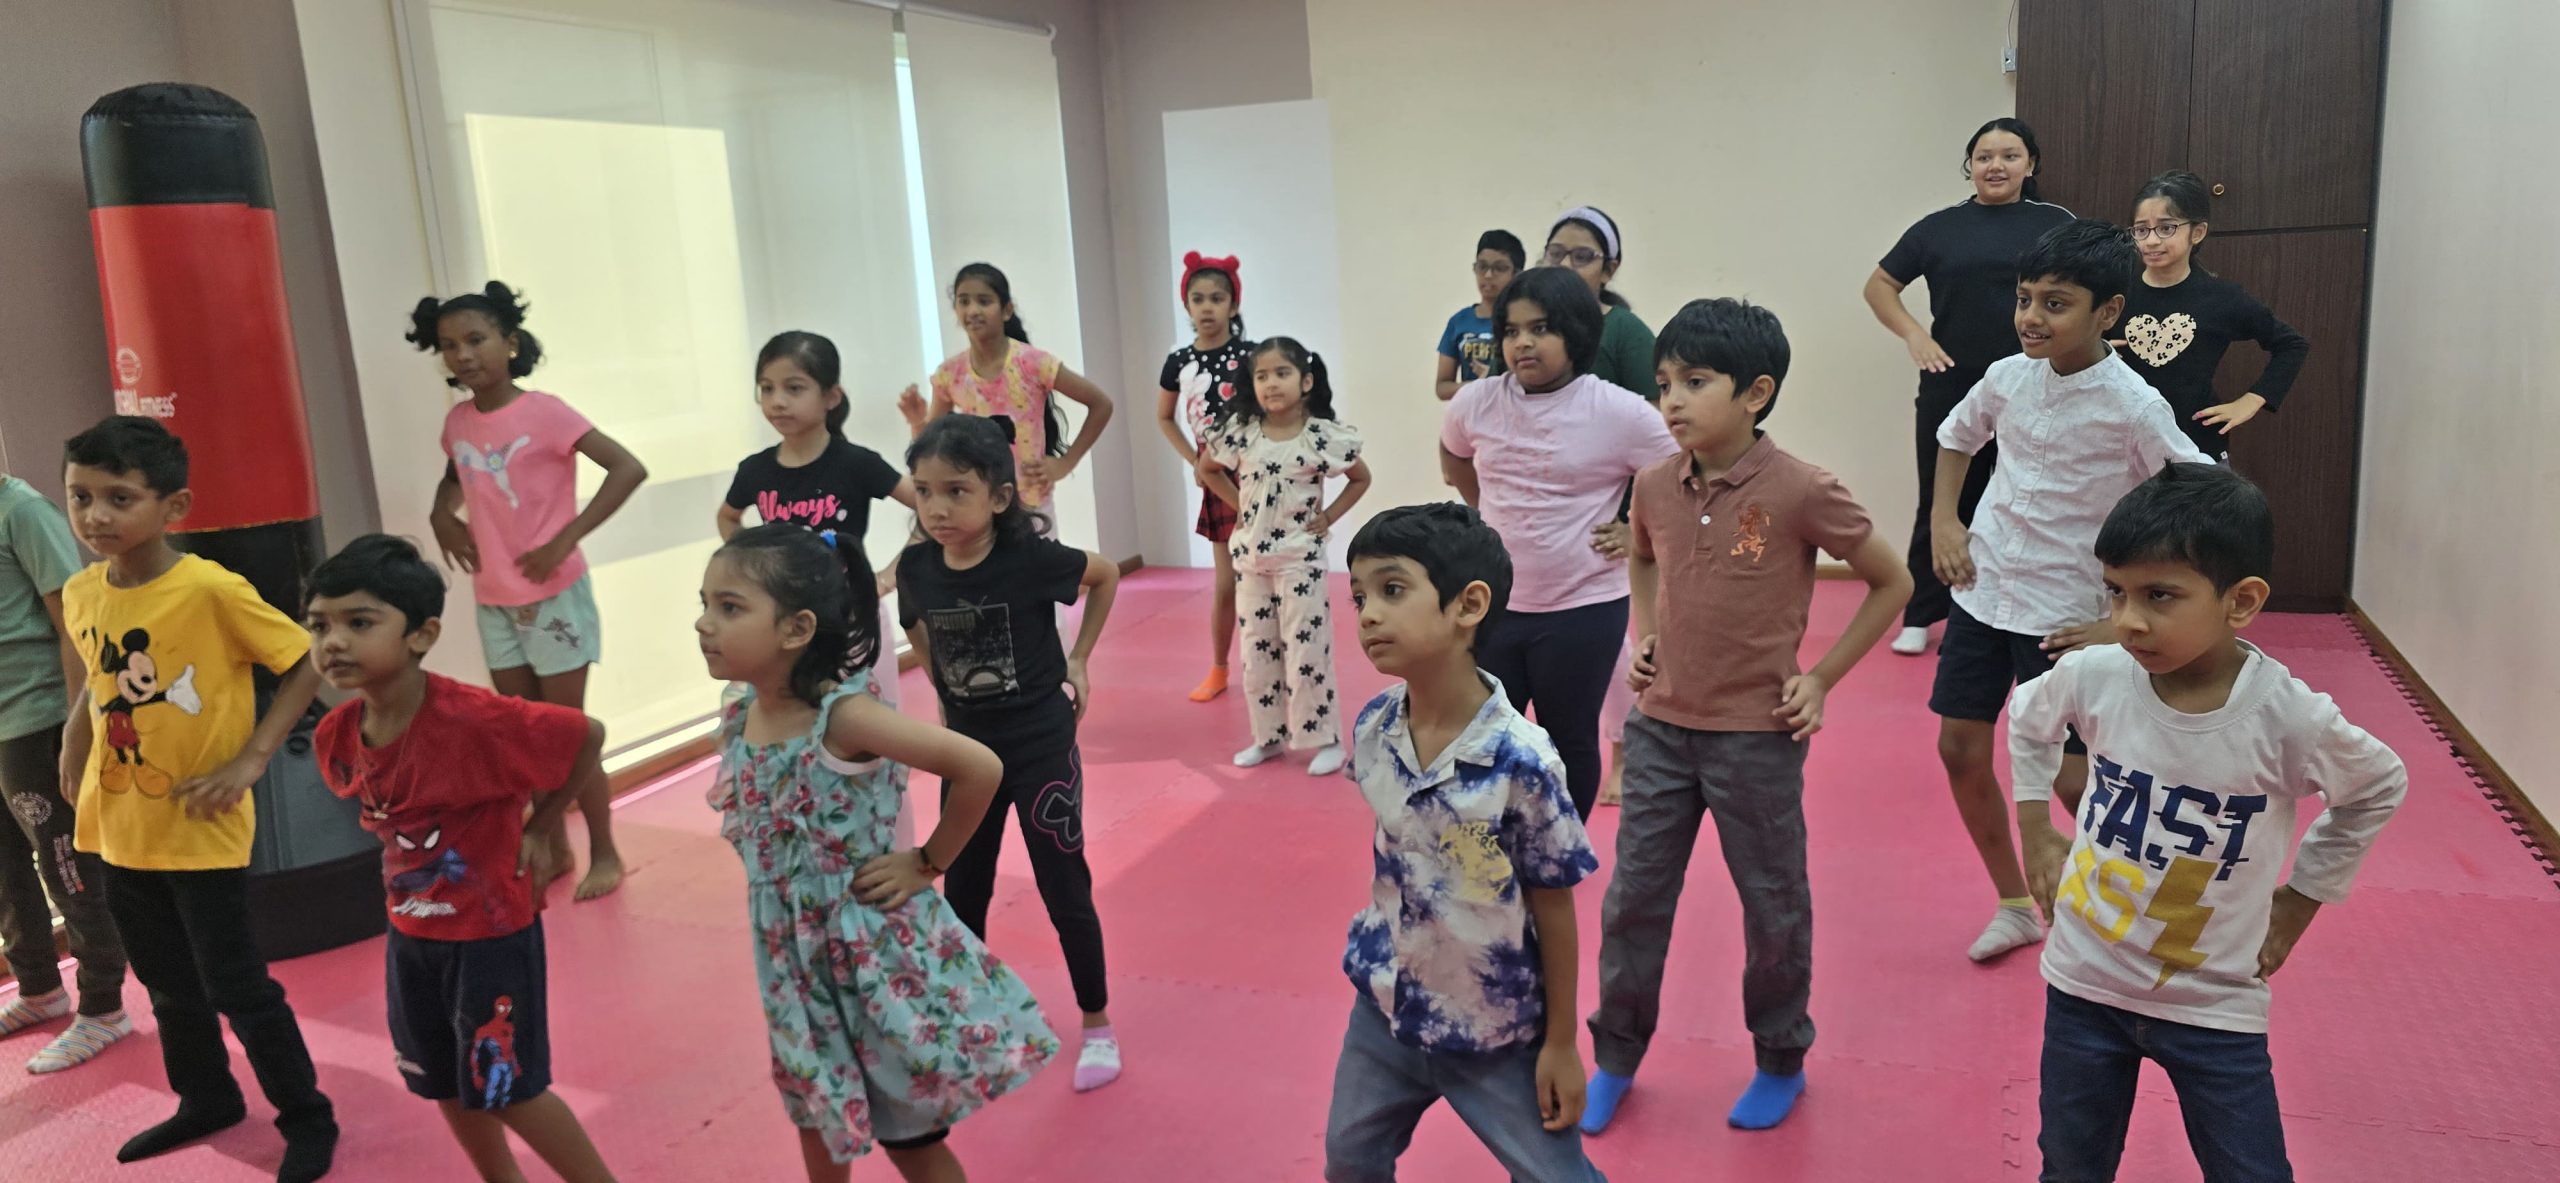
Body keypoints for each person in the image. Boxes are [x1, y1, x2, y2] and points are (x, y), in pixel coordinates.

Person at [2011, 463, 2405, 1181]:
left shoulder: (2287, 718)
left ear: (2241, 601)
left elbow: (2377, 785)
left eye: (2159, 595)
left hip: (2213, 1002)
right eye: (2116, 591)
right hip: (2084, 983)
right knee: (2069, 1168)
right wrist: (2035, 826)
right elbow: (2028, 719)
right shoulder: (2094, 674)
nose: (2128, 620)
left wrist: (2303, 898)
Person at [1580, 299, 1912, 1136]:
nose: (1672, 400)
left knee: (1773, 908)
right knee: (1632, 901)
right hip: (1660, 729)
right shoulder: (1654, 484)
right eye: (1663, 383)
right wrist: (1646, 635)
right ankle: (1615, 1055)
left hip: (1756, 738)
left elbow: (1893, 581)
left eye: (1695, 382)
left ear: (1756, 392)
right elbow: (1643, 559)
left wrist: (1822, 679)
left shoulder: (1802, 488)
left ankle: (1779, 1057)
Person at [701, 525, 1056, 1182]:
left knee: (910, 1136)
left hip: (866, 953)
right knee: (817, 1111)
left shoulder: (845, 717)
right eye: (705, 604)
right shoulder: (742, 712)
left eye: (729, 607)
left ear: (797, 628)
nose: (704, 624)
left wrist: (927, 861)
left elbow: (978, 766)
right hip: (792, 958)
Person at [57, 416, 337, 1181]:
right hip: (120, 823)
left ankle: (307, 1115)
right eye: (80, 496)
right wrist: (73, 740)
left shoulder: (209, 588)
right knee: (167, 985)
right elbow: (96, 676)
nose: (95, 516)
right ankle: (206, 1095)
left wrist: (252, 757)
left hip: (199, 825)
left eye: (119, 498)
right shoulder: (83, 590)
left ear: (173, 506)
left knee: (236, 984)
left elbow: (307, 660)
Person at [1928, 219, 2213, 964]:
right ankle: (2015, 903)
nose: (2031, 317)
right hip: (1984, 589)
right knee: (1959, 747)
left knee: (2073, 777)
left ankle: (2137, 914)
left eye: (2055, 304)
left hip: (2066, 614)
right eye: (2025, 298)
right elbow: (1956, 437)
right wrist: (1944, 521)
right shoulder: (2005, 376)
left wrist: (2125, 620)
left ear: (2107, 312)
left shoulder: (2134, 406)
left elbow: (2198, 505)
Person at [304, 536, 618, 1183]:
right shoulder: (337, 734)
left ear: (421, 635)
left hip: (489, 935)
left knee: (510, 1089)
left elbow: (585, 735)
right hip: (411, 933)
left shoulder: (476, 719)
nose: (333, 642)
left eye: (359, 623)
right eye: (320, 625)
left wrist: (544, 827)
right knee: (442, 1077)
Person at [1324, 503, 1604, 1183]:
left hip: (1492, 1027)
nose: (1367, 614)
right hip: (1386, 1010)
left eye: (1392, 590)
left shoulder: (1522, 761)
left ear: (1468, 605)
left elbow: (1554, 904)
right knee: (1349, 1160)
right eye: (1359, 596)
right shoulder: (1374, 728)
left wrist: (1562, 1042)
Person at [896, 415, 1124, 1092]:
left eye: (956, 491)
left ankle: (1098, 1024)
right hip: (968, 754)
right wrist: (945, 692)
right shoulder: (917, 568)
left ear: (999, 497)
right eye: (924, 491)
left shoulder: (1030, 559)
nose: (937, 508)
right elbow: (915, 625)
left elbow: (1106, 575)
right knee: (964, 885)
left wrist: (1079, 659)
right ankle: (969, 1017)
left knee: (1063, 883)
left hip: (1039, 743)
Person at [413, 282, 649, 901]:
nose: (463, 355)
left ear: (510, 343)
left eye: (476, 339)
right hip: (494, 599)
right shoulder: (458, 422)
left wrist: (565, 538)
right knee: (526, 733)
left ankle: (605, 850)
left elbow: (627, 468)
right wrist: (440, 515)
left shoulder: (545, 412)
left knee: (567, 732)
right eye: (449, 346)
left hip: (554, 595)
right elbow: (455, 477)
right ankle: (554, 848)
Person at [1441, 267, 1680, 818]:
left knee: (1568, 734)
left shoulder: (1619, 411)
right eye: (1511, 330)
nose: (1522, 342)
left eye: (1540, 328)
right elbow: (1454, 454)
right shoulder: (1476, 402)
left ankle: (1563, 848)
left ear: (1576, 333)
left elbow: (1682, 479)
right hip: (1492, 604)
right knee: (1482, 736)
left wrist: (1634, 532)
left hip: (1583, 606)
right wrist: (1482, 515)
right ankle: (1494, 843)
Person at [1865, 118, 2076, 657]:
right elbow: (1880, 284)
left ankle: (2012, 612)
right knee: (1942, 499)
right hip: (1951, 383)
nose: (1996, 166)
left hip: (2036, 384)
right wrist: (1915, 335)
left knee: (2025, 499)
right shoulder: (1939, 228)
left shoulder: (2056, 224)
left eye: (2009, 155)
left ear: (2031, 164)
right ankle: (1922, 612)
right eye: (1984, 157)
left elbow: (2086, 286)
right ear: (1970, 166)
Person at [0, 467, 130, 1072]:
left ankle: (104, 1005)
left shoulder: (21, 511)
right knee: (5, 870)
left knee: (66, 867)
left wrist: (78, 732)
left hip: (37, 714)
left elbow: (74, 625)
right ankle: (38, 989)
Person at [718, 330, 917, 721]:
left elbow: (930, 508)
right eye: (767, 389)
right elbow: (727, 516)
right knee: (795, 725)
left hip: (852, 619)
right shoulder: (755, 470)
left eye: (794, 388)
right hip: (784, 620)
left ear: (831, 397)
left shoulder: (856, 463)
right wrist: (753, 569)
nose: (777, 401)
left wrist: (887, 577)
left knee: (869, 727)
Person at [1198, 337, 1371, 775]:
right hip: (1251, 561)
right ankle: (1268, 736)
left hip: (1299, 560)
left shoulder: (1320, 436)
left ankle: (1325, 738)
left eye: (1282, 373)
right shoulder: (1242, 431)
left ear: (1305, 381)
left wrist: (1328, 517)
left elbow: (1360, 478)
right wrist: (1240, 505)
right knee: (1257, 653)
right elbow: (1207, 470)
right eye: (1262, 376)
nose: (1271, 383)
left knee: (1306, 650)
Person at [897, 263, 1117, 540]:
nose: (973, 310)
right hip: (979, 505)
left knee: (1040, 567)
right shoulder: (950, 374)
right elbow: (931, 446)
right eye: (964, 301)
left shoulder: (1033, 363)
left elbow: (1101, 405)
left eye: (984, 301)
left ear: (1006, 310)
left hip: (1031, 504)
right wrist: (917, 422)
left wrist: (1066, 463)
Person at [2119, 170, 2311, 462]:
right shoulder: (2116, 290)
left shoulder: (2222, 297)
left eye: (2166, 228)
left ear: (2197, 232)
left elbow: (2292, 344)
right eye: (2141, 230)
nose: (2151, 240)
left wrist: (2252, 400)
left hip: (2197, 446)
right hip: (2123, 445)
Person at [1151, 252, 1255, 702]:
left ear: (1233, 304)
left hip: (1258, 473)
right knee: (1226, 582)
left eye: (1217, 298)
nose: (1207, 307)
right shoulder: (1178, 362)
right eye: (1198, 299)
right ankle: (1219, 667)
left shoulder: (1251, 356)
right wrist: (1195, 461)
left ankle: (1272, 661)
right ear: (1187, 306)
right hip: (1215, 479)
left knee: (1266, 577)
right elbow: (1164, 417)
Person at [1435, 230, 1523, 401]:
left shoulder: (1522, 322)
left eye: (1499, 268)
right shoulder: (1459, 321)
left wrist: (1493, 381)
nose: (1488, 275)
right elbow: (1442, 388)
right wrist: (1480, 386)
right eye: (1482, 266)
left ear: (1516, 274)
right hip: (1471, 413)